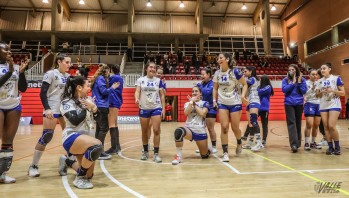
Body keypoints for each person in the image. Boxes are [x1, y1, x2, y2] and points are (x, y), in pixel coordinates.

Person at [28, 53, 70, 177]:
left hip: (64, 109)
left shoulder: (68, 76)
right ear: (59, 62)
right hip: (52, 108)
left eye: (69, 62)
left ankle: (67, 161)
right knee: (47, 136)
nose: (69, 64)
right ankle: (33, 166)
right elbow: (42, 93)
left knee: (69, 135)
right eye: (67, 62)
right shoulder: (50, 74)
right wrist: (47, 108)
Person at [60, 75, 103, 189]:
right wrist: (86, 108)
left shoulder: (88, 100)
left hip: (86, 139)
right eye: (87, 85)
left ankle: (68, 162)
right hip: (71, 137)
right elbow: (74, 121)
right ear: (79, 87)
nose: (89, 88)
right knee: (97, 145)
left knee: (89, 175)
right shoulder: (66, 102)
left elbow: (99, 121)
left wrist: (94, 108)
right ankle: (79, 179)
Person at [0, 42, 28, 183]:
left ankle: (2, 174)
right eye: (5, 49)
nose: (9, 51)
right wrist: (10, 71)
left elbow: (23, 88)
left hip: (14, 106)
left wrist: (21, 73)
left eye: (10, 49)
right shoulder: (11, 68)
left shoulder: (16, 67)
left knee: (8, 141)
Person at [213, 53, 248, 162]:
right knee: (224, 127)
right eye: (218, 58)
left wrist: (242, 96)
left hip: (235, 102)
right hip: (222, 102)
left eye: (221, 57)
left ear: (227, 59)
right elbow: (215, 88)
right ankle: (225, 153)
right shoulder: (217, 73)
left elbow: (245, 84)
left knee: (235, 128)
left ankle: (239, 142)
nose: (218, 59)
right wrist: (214, 100)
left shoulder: (235, 71)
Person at [134, 62, 165, 163]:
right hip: (144, 108)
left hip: (156, 108)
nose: (153, 69)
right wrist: (136, 98)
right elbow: (137, 91)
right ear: (146, 69)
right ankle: (145, 151)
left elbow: (162, 95)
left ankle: (156, 154)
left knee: (156, 130)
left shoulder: (158, 81)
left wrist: (163, 108)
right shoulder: (140, 80)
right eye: (151, 67)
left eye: (154, 67)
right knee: (144, 131)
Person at [172, 86, 211, 165]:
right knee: (178, 131)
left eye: (196, 91)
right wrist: (191, 103)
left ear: (200, 93)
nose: (194, 93)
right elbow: (186, 113)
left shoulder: (205, 103)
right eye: (193, 91)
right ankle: (178, 156)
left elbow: (202, 113)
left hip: (200, 131)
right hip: (189, 129)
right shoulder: (187, 103)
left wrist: (194, 104)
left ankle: (207, 149)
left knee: (204, 156)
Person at [91, 64, 120, 160]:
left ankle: (97, 150)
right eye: (108, 71)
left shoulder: (98, 78)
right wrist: (113, 88)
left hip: (99, 105)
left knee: (99, 129)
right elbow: (103, 91)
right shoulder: (101, 79)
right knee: (103, 129)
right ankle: (99, 152)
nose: (109, 73)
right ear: (105, 71)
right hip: (101, 106)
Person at [315, 63, 345, 155]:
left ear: (329, 69)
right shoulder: (319, 81)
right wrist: (322, 92)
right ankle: (330, 147)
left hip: (334, 104)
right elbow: (317, 95)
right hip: (323, 105)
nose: (322, 70)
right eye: (321, 69)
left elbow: (343, 93)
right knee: (326, 127)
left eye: (324, 68)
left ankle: (337, 146)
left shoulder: (336, 79)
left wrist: (333, 91)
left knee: (331, 125)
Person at [282, 64, 307, 153]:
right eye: (289, 70)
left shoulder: (302, 80)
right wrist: (293, 82)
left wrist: (299, 82)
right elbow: (284, 90)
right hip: (289, 103)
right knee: (291, 123)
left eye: (293, 69)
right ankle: (293, 144)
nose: (291, 71)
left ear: (296, 70)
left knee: (298, 123)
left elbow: (304, 91)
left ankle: (298, 143)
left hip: (299, 103)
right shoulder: (286, 80)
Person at [241, 66, 263, 151]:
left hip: (254, 100)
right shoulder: (249, 79)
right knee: (250, 123)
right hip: (249, 101)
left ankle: (259, 142)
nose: (243, 73)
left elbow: (243, 84)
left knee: (254, 121)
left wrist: (239, 78)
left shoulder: (252, 79)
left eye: (245, 71)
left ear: (250, 72)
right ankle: (250, 143)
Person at [196, 67, 217, 153]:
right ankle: (203, 147)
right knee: (201, 128)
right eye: (201, 74)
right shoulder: (203, 83)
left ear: (208, 75)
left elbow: (206, 92)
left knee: (210, 129)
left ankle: (214, 146)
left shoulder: (212, 84)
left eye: (203, 74)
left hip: (211, 109)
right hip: (202, 108)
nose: (202, 76)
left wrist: (200, 86)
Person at [105, 65, 124, 155]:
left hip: (113, 101)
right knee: (115, 124)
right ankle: (117, 146)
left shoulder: (114, 77)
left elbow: (107, 86)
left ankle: (114, 147)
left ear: (111, 70)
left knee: (111, 124)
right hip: (117, 101)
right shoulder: (119, 77)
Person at [303, 69, 322, 150]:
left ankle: (313, 142)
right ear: (309, 75)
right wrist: (312, 88)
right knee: (309, 124)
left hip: (319, 104)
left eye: (316, 74)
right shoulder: (306, 83)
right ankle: (307, 142)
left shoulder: (319, 83)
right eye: (313, 74)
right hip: (309, 103)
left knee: (316, 125)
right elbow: (305, 94)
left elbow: (320, 95)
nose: (315, 76)